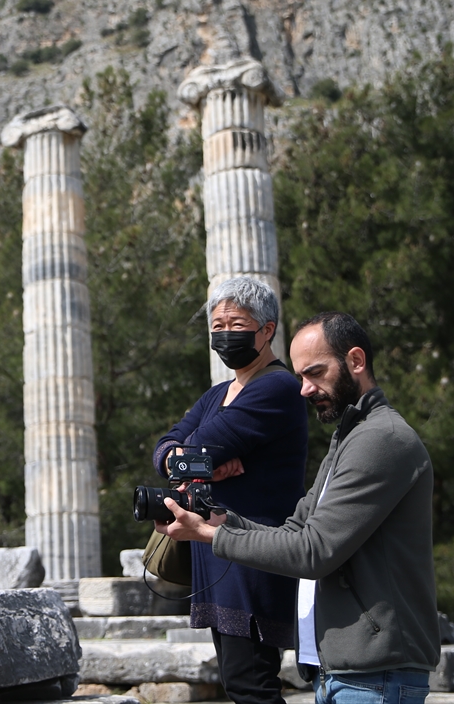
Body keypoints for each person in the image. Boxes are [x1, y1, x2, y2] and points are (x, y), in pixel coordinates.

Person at [156, 311, 440, 704]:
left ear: (355, 361)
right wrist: (220, 519)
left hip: (375, 676)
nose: (304, 389)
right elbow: (295, 530)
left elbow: (314, 551)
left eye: (315, 373)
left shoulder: (382, 440)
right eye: (301, 375)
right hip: (344, 672)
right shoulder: (349, 440)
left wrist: (211, 534)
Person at [151, 277, 308, 704]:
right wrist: (206, 467)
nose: (224, 333)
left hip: (252, 553)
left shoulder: (278, 387)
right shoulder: (218, 393)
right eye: (216, 325)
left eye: (235, 323)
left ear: (267, 329)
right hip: (219, 556)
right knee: (239, 682)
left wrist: (194, 460)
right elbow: (166, 453)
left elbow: (193, 448)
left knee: (252, 684)